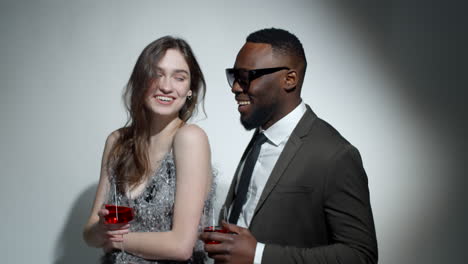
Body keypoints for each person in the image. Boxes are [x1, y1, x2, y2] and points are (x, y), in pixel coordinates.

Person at [201, 28, 378, 263]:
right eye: (234, 76)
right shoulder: (261, 136)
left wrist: (259, 256)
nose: (235, 87)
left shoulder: (336, 156)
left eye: (247, 77)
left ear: (289, 79)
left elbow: (360, 256)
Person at [83, 36, 214, 264]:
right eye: (156, 74)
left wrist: (114, 239)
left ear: (190, 90)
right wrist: (102, 229)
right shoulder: (117, 141)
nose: (166, 86)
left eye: (179, 77)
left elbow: (181, 246)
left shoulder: (190, 138)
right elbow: (89, 236)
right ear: (141, 80)